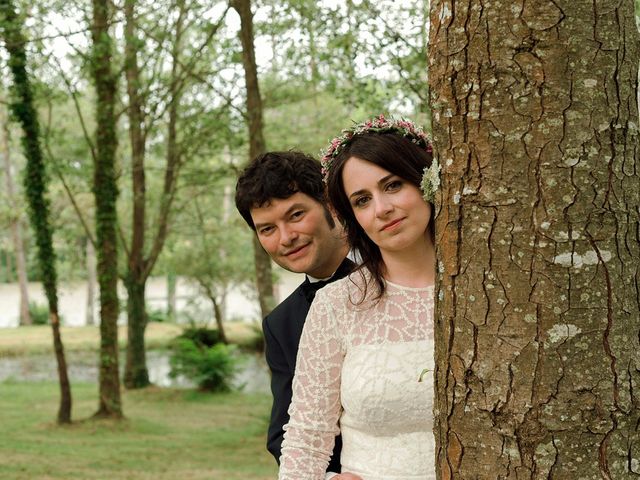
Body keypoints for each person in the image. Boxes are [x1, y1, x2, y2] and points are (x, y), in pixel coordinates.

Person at [278, 115, 439, 480]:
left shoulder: (490, 295)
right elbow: (307, 433)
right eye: (362, 200)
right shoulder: (337, 305)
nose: (382, 209)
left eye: (394, 185)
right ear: (351, 216)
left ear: (427, 181)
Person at [234, 151, 355, 477]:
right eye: (267, 229)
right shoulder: (280, 324)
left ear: (330, 205)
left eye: (296, 215)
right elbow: (282, 432)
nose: (286, 238)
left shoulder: (398, 269)